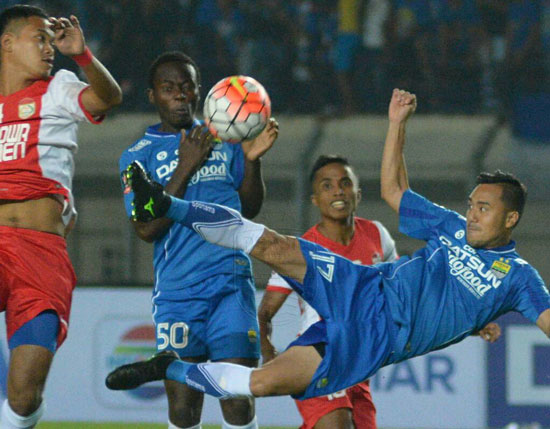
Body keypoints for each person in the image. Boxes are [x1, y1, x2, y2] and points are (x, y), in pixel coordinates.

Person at [106, 89, 549, 408]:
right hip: (362, 286)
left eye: (484, 208)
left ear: (511, 219)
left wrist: (476, 320)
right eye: (472, 204)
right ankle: (164, 203)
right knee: (274, 246)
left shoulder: (521, 280)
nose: (472, 213)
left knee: (260, 385)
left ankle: (168, 368)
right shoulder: (452, 226)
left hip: (372, 339)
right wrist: (396, 124)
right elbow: (395, 191)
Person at [117, 51, 278, 429]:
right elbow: (146, 229)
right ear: (153, 95)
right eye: (168, 88)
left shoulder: (228, 136)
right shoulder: (137, 156)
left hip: (230, 285)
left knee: (238, 403)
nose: (179, 95)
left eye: (186, 86)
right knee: (184, 411)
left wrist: (253, 160)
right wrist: (186, 166)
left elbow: (249, 208)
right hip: (178, 293)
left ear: (199, 92)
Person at [0, 4, 122, 428]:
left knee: (23, 392)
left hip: (41, 255)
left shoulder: (59, 89)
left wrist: (83, 55)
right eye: (40, 38)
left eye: (52, 41)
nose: (49, 48)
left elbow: (108, 98)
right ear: (8, 43)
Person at [259, 154, 398, 429]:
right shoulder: (301, 249)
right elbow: (264, 311)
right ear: (315, 199)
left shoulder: (377, 236)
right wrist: (267, 351)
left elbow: (397, 293)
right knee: (337, 425)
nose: (337, 190)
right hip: (317, 357)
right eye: (327, 185)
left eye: (345, 183)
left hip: (359, 365)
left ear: (357, 193)